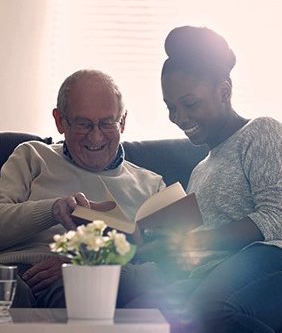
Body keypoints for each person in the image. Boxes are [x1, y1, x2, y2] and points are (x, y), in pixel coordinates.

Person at [128, 26, 282, 333]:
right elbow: (200, 251)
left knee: (207, 313)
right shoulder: (200, 171)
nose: (179, 117)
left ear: (224, 91)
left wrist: (189, 241)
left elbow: (276, 221)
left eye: (189, 104)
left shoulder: (263, 132)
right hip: (220, 272)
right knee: (138, 319)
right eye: (171, 108)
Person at [0, 69, 167, 308]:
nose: (96, 138)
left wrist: (86, 268)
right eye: (83, 124)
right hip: (13, 275)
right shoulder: (32, 156)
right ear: (60, 121)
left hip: (87, 285)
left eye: (107, 123)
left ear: (123, 121)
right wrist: (53, 209)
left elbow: (166, 264)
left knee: (82, 294)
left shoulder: (152, 185)